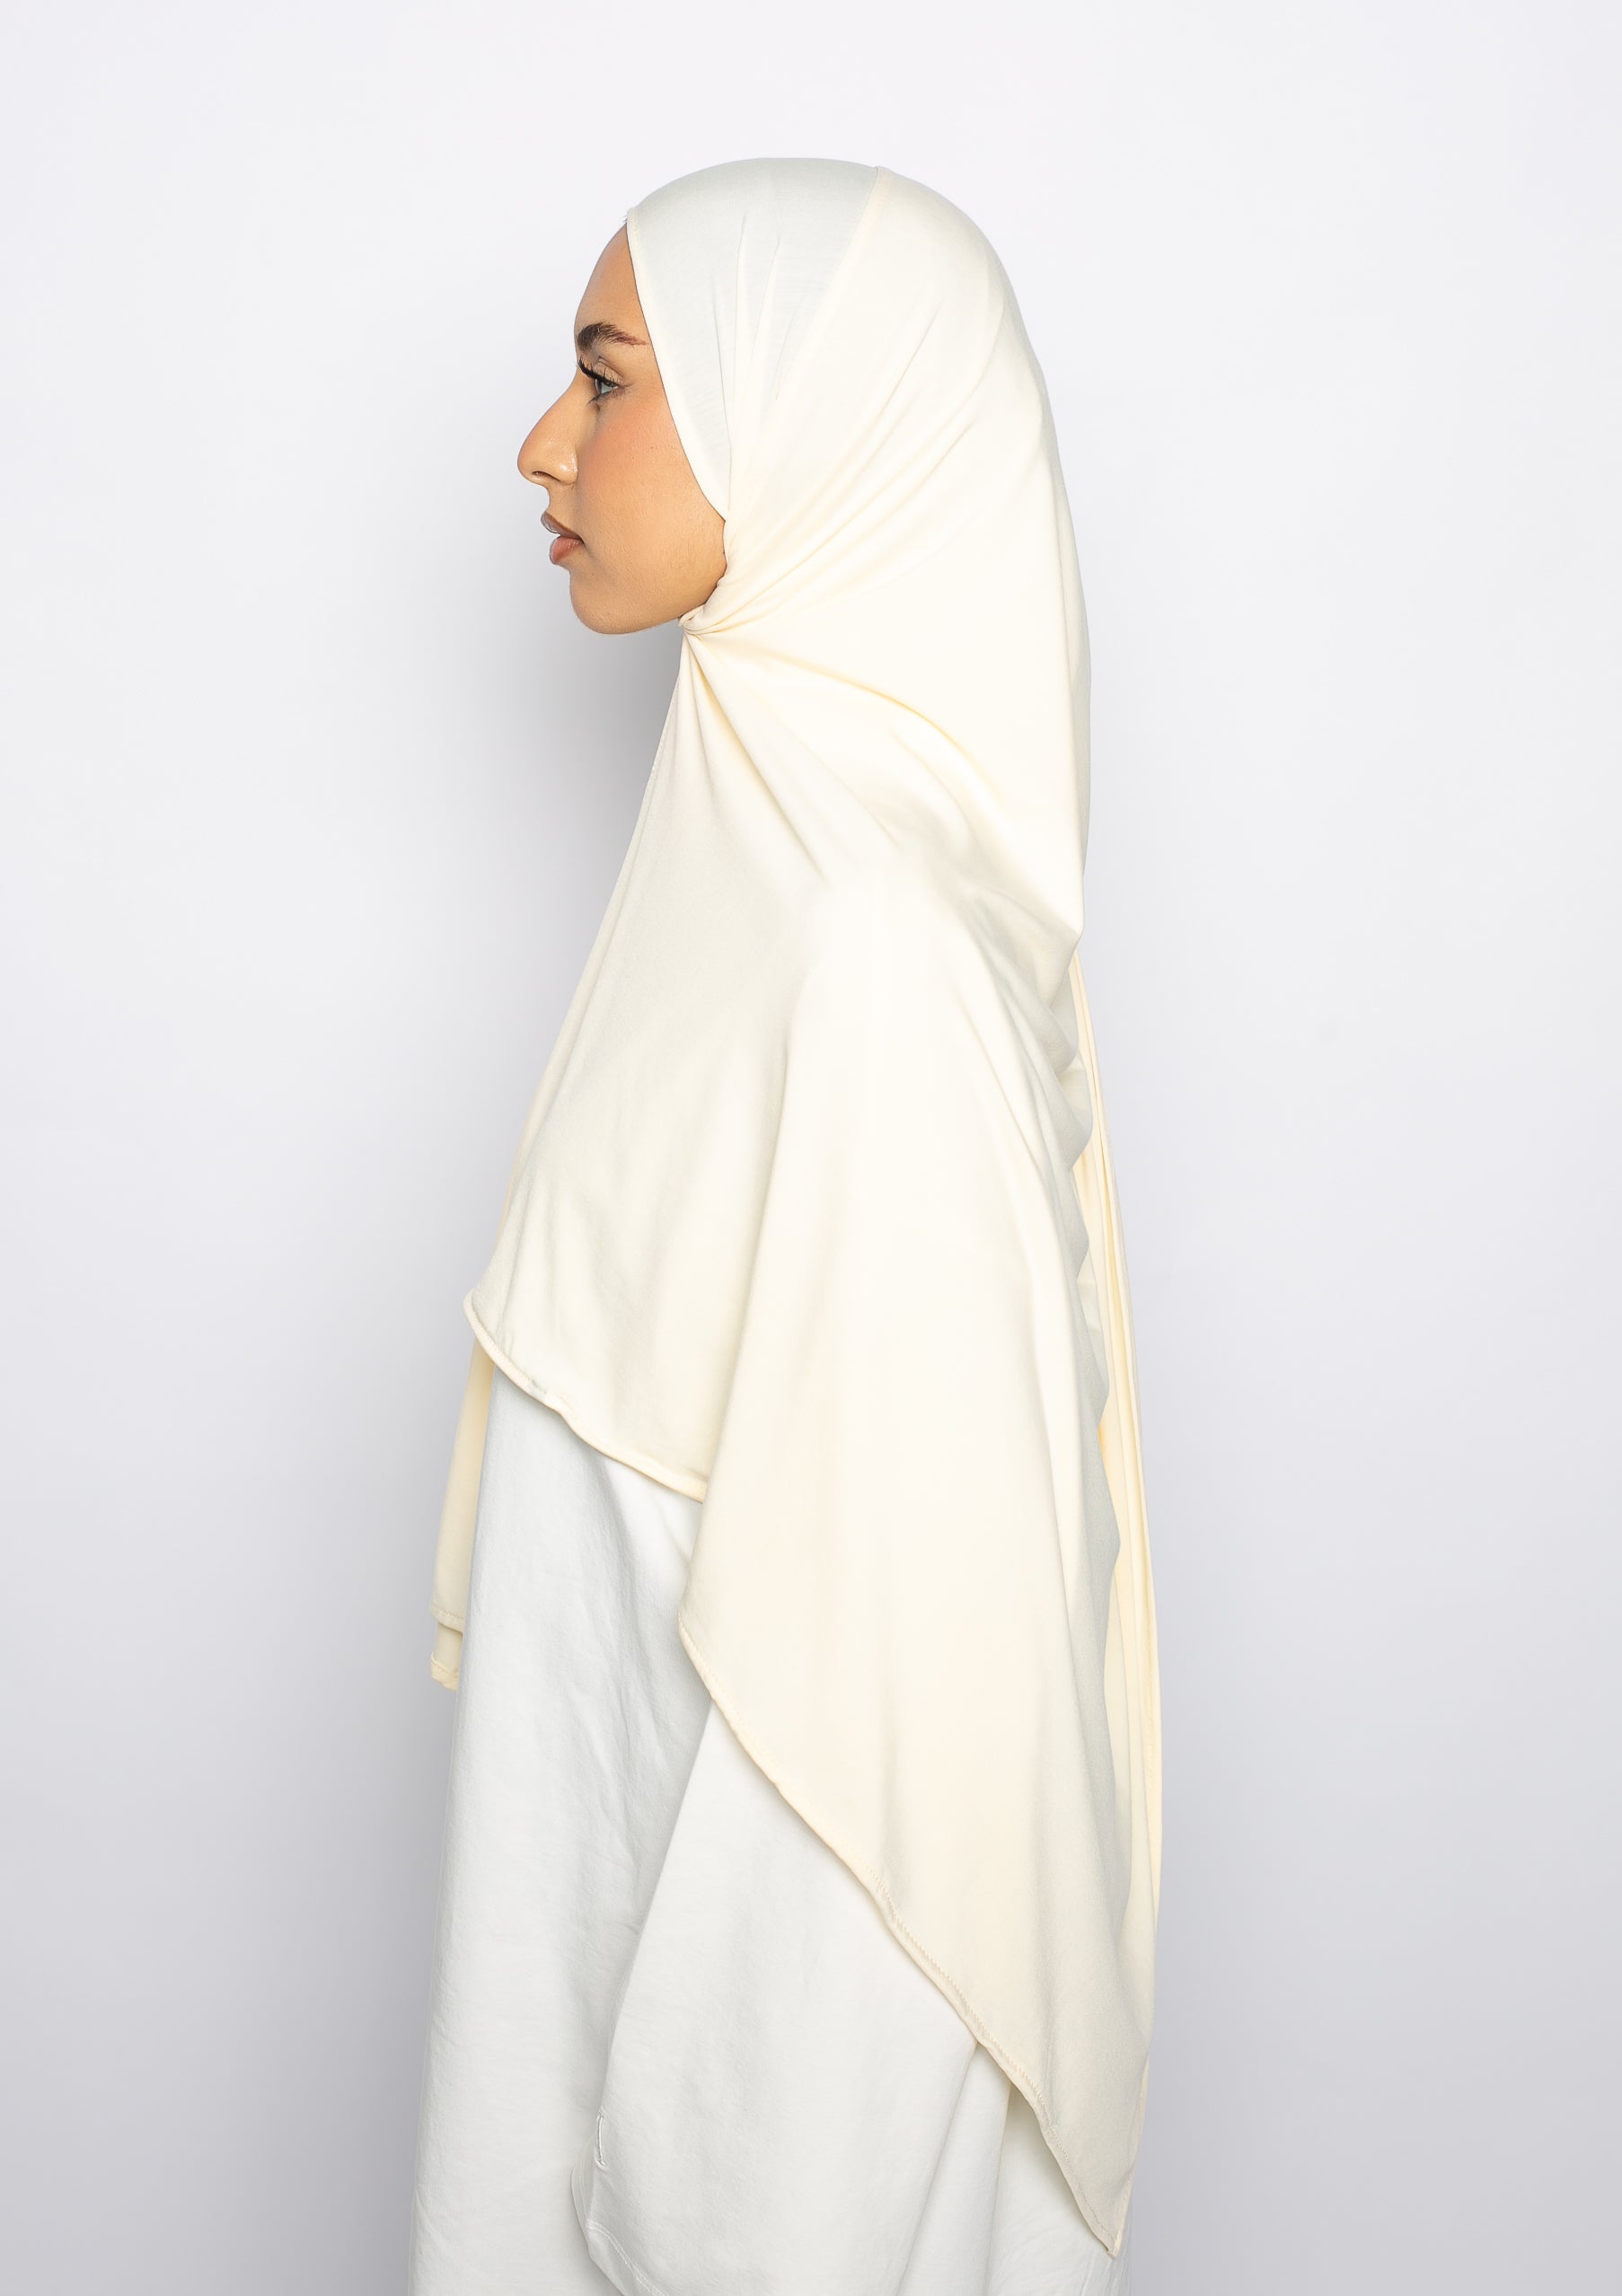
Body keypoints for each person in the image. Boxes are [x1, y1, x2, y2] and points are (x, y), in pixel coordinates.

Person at [410, 161, 1160, 2296]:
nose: (543, 445)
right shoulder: (743, 890)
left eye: (605, 380)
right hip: (596, 2135)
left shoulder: (873, 963)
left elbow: (882, 1787)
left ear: (807, 427)